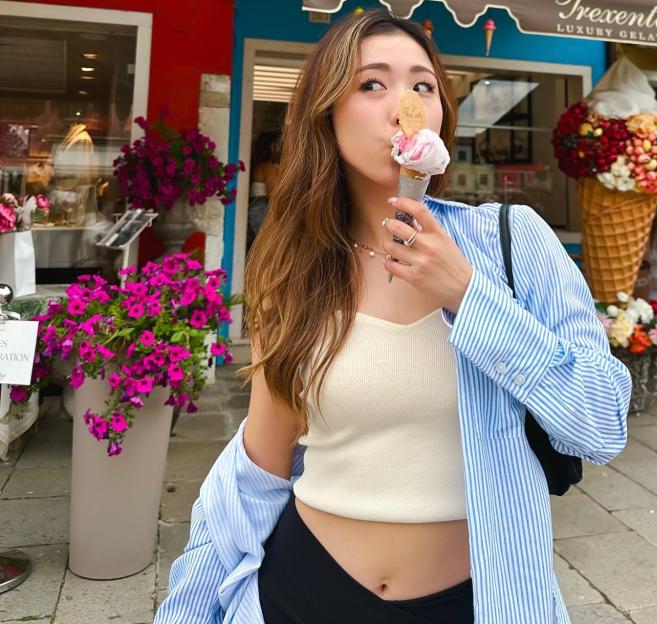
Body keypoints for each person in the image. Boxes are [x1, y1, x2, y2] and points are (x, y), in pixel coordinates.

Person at [154, 10, 631, 624]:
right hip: (300, 590)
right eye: (371, 84)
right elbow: (259, 468)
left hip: (477, 598)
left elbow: (601, 425)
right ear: (326, 113)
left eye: (422, 86)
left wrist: (466, 295)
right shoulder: (295, 269)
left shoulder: (516, 242)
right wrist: (190, 606)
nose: (403, 105)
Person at [247, 129, 281, 249]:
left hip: (257, 209)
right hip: (263, 211)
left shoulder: (259, 165)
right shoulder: (268, 167)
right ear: (272, 146)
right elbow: (275, 196)